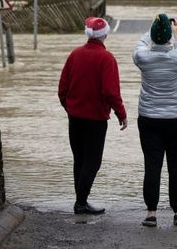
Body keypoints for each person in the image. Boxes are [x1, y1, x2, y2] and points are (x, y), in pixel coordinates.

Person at [58, 17, 128, 215]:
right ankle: (81, 203)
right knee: (93, 161)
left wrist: (69, 107)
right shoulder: (107, 59)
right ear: (104, 34)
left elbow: (62, 88)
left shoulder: (75, 54)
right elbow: (110, 92)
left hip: (75, 117)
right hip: (96, 119)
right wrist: (121, 113)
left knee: (79, 159)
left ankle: (80, 200)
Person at [133, 13, 177, 227]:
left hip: (149, 117)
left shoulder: (142, 58)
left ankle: (151, 213)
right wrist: (176, 35)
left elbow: (141, 42)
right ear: (169, 36)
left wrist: (154, 28)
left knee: (152, 165)